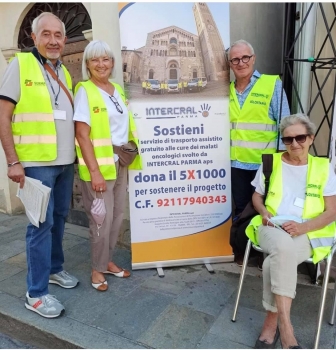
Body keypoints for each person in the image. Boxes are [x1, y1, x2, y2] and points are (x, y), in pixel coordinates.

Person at [0, 12, 78, 318]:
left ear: (64, 39)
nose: (53, 40)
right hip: (34, 163)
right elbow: (3, 116)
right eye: (46, 34)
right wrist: (13, 161)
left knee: (59, 218)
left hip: (64, 161)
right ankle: (35, 293)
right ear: (34, 38)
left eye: (58, 35)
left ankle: (55, 269)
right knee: (39, 225)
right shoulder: (19, 65)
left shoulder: (65, 73)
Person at [246, 114, 336, 349]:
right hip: (271, 227)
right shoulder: (270, 162)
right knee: (282, 249)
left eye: (300, 138)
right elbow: (256, 195)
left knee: (273, 262)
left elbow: (331, 212)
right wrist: (264, 213)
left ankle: (273, 322)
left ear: (311, 138)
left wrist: (303, 227)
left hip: (308, 231)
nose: (294, 144)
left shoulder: (323, 167)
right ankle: (287, 329)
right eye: (288, 139)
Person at [74, 40, 142, 292]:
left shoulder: (115, 89)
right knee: (100, 221)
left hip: (119, 164)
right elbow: (82, 135)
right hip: (100, 168)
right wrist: (94, 173)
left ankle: (107, 261)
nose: (101, 64)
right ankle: (96, 269)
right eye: (95, 60)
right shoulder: (85, 90)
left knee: (116, 218)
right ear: (87, 64)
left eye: (105, 59)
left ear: (113, 62)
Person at [228, 39, 290, 265]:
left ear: (253, 59)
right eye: (235, 59)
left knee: (266, 209)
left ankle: (270, 253)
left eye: (245, 57)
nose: (241, 62)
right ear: (230, 64)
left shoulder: (271, 84)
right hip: (236, 163)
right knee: (241, 209)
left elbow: (285, 123)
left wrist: (285, 160)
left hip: (265, 164)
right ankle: (246, 254)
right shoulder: (227, 91)